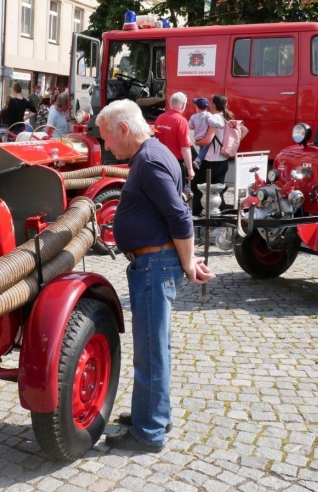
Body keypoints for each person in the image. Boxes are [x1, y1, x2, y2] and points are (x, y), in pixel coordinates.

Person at [97, 99, 214, 453]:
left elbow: (180, 217)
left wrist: (189, 262)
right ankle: (152, 414)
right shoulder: (158, 152)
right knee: (155, 346)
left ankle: (149, 433)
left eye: (106, 138)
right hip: (154, 263)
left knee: (151, 350)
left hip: (154, 265)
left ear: (123, 129)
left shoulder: (148, 161)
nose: (105, 146)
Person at [191, 94, 235, 214]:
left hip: (210, 161)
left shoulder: (214, 118)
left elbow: (207, 140)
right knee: (217, 189)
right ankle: (221, 213)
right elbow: (244, 130)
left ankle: (197, 214)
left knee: (197, 186)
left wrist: (197, 141)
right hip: (223, 160)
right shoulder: (227, 117)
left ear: (214, 105)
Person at [154, 92, 195, 202]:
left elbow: (156, 139)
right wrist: (190, 169)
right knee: (178, 195)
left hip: (161, 161)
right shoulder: (181, 121)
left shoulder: (159, 118)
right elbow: (185, 147)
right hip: (176, 163)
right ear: (183, 105)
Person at [188, 96, 212, 170]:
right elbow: (212, 124)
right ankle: (198, 160)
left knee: (202, 150)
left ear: (197, 107)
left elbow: (190, 126)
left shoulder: (193, 116)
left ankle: (199, 163)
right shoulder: (208, 115)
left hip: (198, 138)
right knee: (206, 148)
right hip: (205, 137)